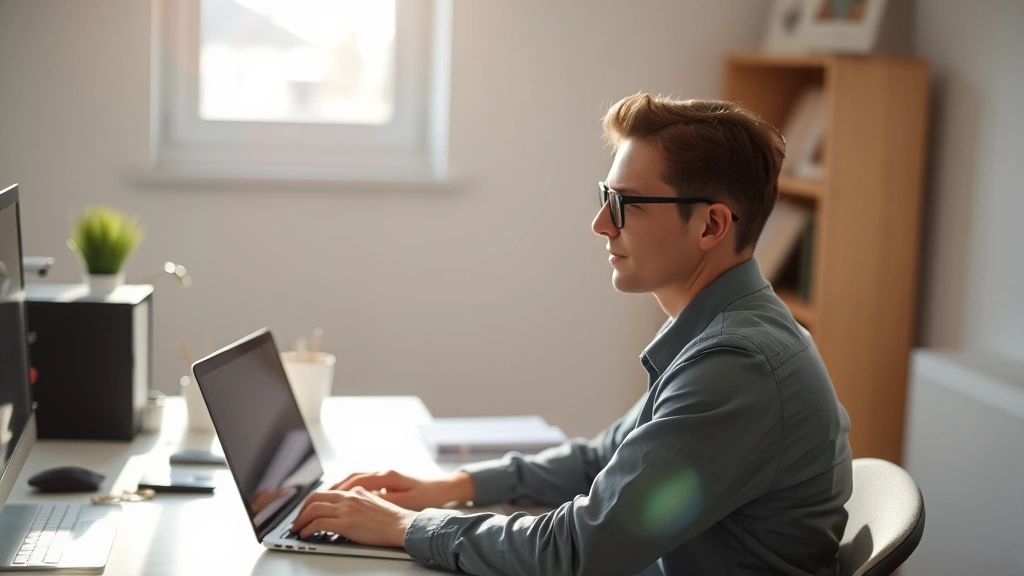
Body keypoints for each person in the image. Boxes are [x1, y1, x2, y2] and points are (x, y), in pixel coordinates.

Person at [289, 93, 853, 575]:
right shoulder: (721, 334)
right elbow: (600, 460)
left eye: (625, 204)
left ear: (711, 225)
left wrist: (409, 527)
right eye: (604, 198)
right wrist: (449, 488)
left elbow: (580, 550)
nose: (601, 223)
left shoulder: (738, 364)